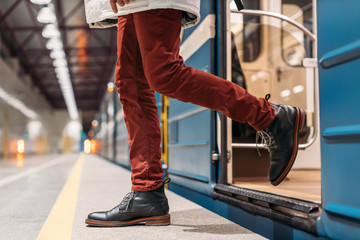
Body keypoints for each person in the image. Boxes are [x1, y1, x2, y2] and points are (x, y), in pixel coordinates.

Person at [84, 0, 305, 227]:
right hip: (131, 6)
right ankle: (146, 191)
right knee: (130, 83)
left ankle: (268, 117)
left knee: (163, 73)